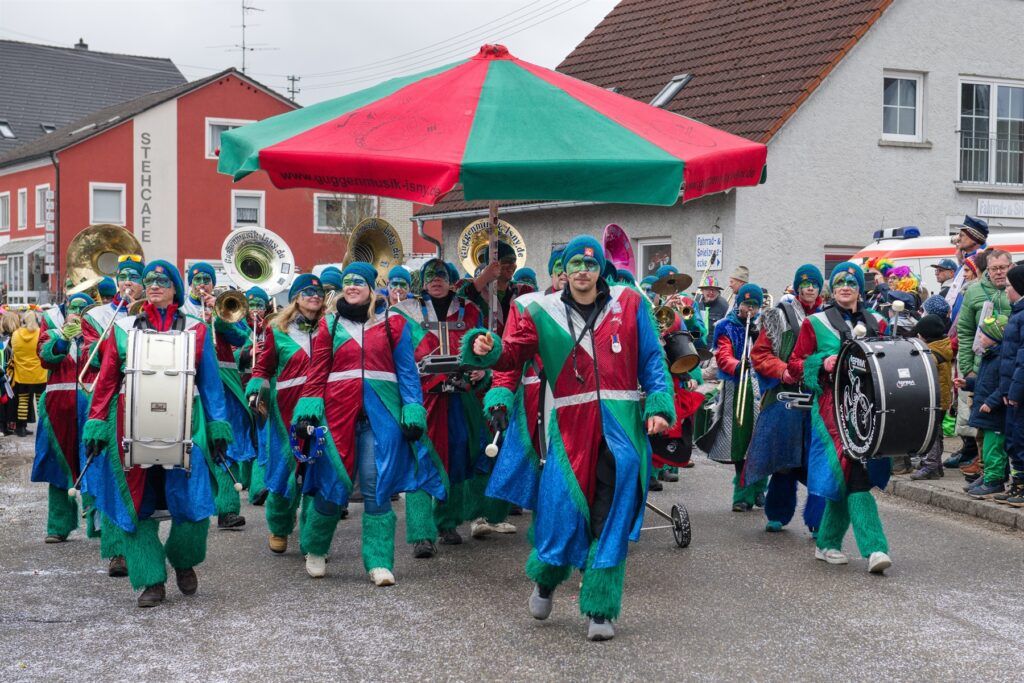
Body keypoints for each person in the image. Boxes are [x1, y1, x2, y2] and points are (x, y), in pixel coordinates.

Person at [465, 234, 674, 642]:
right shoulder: (540, 311)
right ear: (564, 270)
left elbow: (652, 359)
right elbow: (510, 356)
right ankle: (545, 580)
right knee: (560, 515)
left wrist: (659, 405)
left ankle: (600, 608)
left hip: (622, 429)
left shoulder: (630, 304)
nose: (582, 272)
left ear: (600, 271)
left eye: (590, 265)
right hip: (568, 428)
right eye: (575, 264)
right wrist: (484, 348)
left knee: (609, 518)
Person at [82, 260, 233, 607]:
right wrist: (96, 422)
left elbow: (211, 384)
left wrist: (218, 426)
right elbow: (107, 381)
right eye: (149, 280)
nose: (153, 285)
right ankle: (150, 578)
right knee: (136, 506)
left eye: (162, 281)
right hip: (131, 425)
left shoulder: (196, 328)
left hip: (187, 424)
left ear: (175, 289)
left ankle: (183, 559)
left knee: (194, 503)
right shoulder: (123, 328)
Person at [291, 262, 443, 585]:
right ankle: (315, 547)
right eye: (347, 281)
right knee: (331, 486)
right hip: (336, 417)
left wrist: (413, 410)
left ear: (372, 288)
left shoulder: (394, 323)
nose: (351, 286)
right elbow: (317, 372)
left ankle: (378, 561)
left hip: (381, 418)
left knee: (377, 487)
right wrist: (306, 412)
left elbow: (407, 373)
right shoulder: (329, 324)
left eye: (359, 281)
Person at [788, 262, 892, 574]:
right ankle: (875, 549)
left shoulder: (879, 321)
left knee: (849, 477)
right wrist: (822, 362)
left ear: (860, 289)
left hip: (870, 410)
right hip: (831, 410)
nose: (845, 287)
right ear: (832, 290)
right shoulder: (815, 323)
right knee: (855, 475)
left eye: (851, 282)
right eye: (839, 283)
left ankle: (827, 543)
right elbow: (795, 363)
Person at [391, 258, 486, 553]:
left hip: (460, 398)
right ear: (422, 281)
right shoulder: (404, 311)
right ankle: (421, 533)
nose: (436, 279)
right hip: (421, 398)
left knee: (457, 455)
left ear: (451, 279)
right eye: (430, 275)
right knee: (420, 457)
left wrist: (482, 370)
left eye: (441, 274)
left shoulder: (470, 311)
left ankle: (448, 521)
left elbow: (483, 349)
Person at [244, 274, 325, 558]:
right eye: (307, 292)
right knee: (282, 472)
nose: (313, 296)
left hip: (322, 411)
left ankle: (313, 537)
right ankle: (279, 526)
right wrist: (256, 389)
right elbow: (263, 368)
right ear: (295, 298)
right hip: (285, 412)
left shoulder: (331, 328)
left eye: (318, 293)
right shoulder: (278, 330)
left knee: (317, 473)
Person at [746, 265, 826, 533]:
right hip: (784, 395)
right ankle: (778, 512)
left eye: (814, 284)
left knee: (818, 460)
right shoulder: (779, 316)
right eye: (805, 284)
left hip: (820, 397)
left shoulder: (829, 317)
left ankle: (818, 521)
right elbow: (760, 355)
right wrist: (783, 370)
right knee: (783, 458)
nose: (810, 288)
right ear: (797, 287)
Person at [185, 262, 250, 530]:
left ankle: (228, 509)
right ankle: (194, 508)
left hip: (225, 381)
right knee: (194, 444)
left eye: (207, 279)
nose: (202, 283)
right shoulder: (182, 310)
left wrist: (220, 318)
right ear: (189, 283)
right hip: (192, 381)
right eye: (197, 279)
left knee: (225, 442)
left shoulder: (224, 305)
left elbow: (243, 337)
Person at [30, 292, 96, 543]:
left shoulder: (97, 330)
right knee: (58, 466)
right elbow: (45, 358)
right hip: (58, 406)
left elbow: (102, 360)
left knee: (94, 461)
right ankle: (58, 525)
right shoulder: (51, 328)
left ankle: (98, 522)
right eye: (73, 307)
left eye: (82, 308)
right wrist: (63, 339)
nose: (76, 312)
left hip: (91, 404)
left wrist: (86, 338)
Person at [708, 284, 768, 511]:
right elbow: (723, 355)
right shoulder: (726, 326)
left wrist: (759, 338)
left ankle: (760, 488)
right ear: (738, 304)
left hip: (763, 387)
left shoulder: (766, 325)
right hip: (737, 385)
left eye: (754, 305)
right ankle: (742, 495)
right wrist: (737, 365)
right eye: (746, 304)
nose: (749, 309)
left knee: (761, 440)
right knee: (741, 442)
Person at [956, 249, 1012, 481]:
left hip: (1011, 366)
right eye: (994, 268)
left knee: (1009, 424)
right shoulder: (975, 291)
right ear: (986, 269)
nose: (999, 273)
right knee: (983, 423)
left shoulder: (1016, 288)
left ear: (1010, 267)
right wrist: (967, 367)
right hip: (982, 368)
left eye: (1003, 268)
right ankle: (987, 469)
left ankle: (1005, 473)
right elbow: (965, 330)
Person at [959, 315, 1008, 498]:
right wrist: (967, 383)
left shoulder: (1001, 358)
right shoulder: (989, 356)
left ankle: (994, 481)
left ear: (994, 336)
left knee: (993, 449)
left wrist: (991, 402)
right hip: (987, 413)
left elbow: (1004, 386)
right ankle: (989, 475)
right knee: (987, 449)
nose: (979, 337)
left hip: (995, 413)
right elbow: (984, 382)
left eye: (983, 334)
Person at [237, 285, 272, 505]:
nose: (255, 310)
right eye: (251, 305)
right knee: (243, 434)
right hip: (240, 386)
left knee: (262, 436)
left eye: (259, 305)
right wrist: (247, 352)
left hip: (264, 387)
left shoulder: (272, 326)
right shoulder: (236, 324)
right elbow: (226, 353)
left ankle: (259, 486)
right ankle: (244, 477)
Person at [908, 314, 953, 480]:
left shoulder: (931, 354)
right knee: (937, 431)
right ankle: (937, 465)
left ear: (924, 335)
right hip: (943, 399)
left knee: (930, 432)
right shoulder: (943, 346)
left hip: (934, 400)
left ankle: (930, 465)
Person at [11, 310, 47, 437]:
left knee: (23, 401)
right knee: (40, 402)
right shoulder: (40, 333)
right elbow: (44, 351)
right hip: (39, 374)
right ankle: (43, 429)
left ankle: (21, 428)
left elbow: (14, 351)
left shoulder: (16, 334)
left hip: (22, 374)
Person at [0, 311, 19, 435]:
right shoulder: (17, 337)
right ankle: (10, 424)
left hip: (3, 373)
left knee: (3, 398)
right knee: (12, 398)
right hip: (15, 374)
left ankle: (3, 426)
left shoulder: (3, 339)